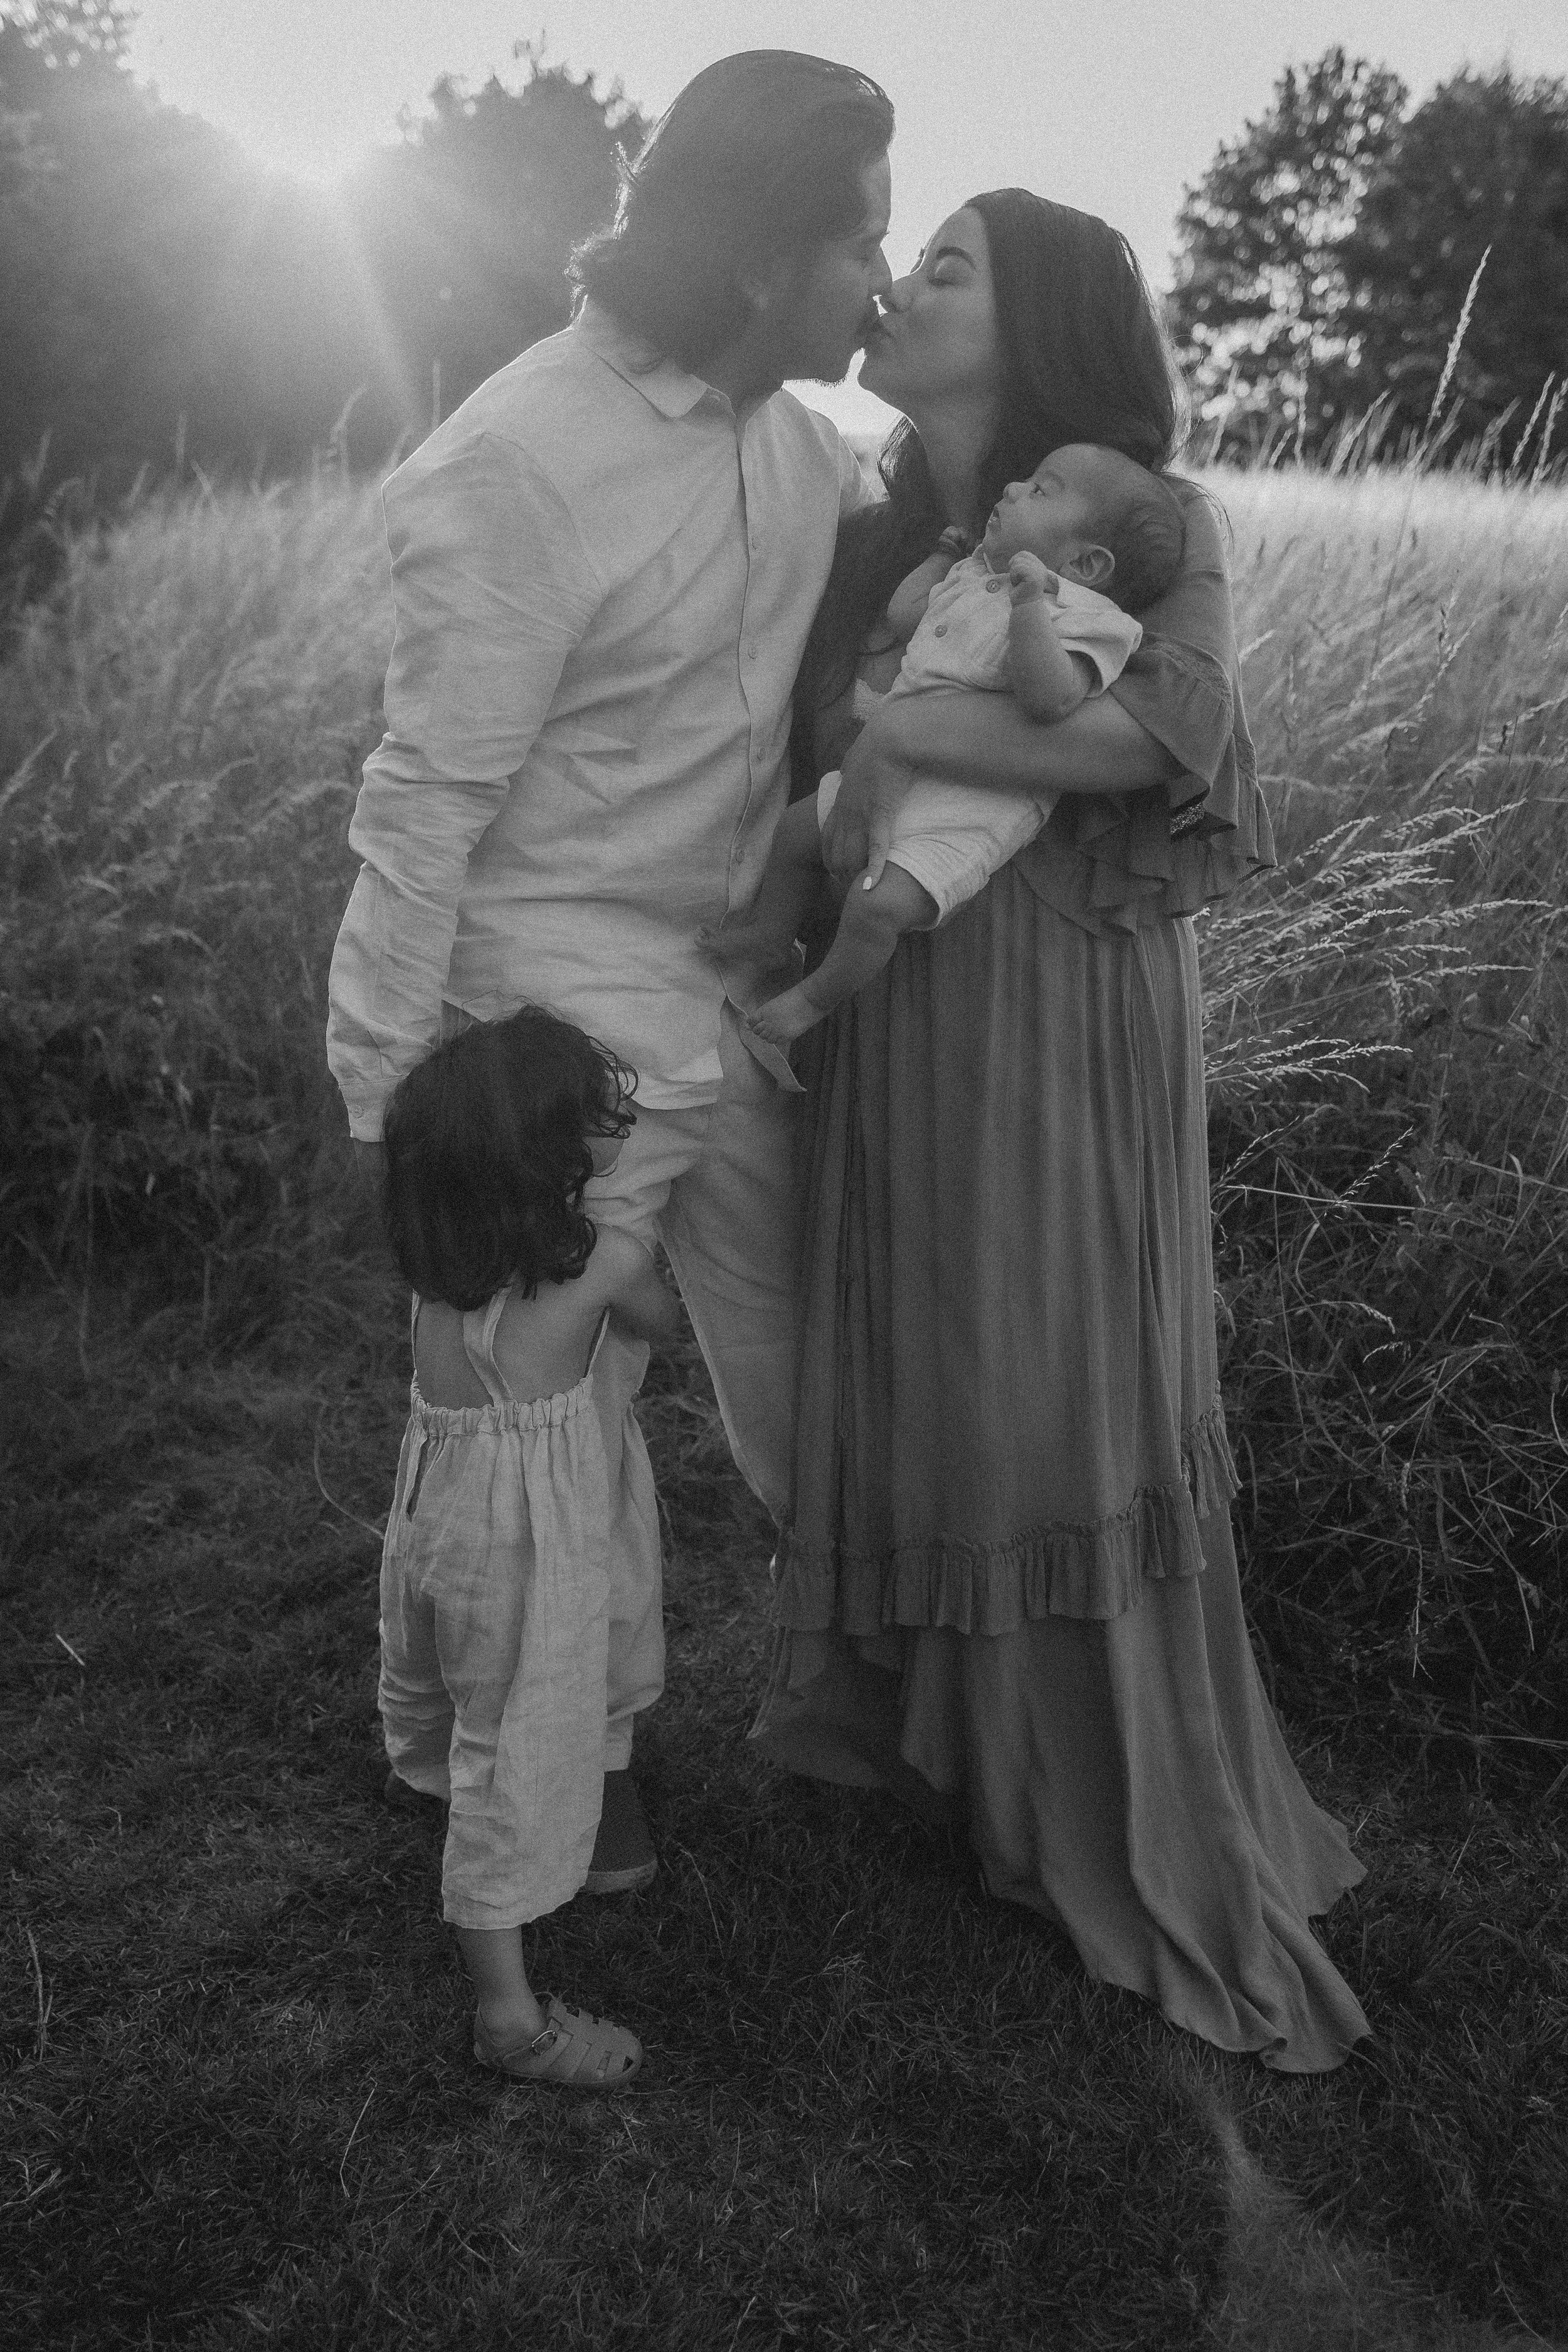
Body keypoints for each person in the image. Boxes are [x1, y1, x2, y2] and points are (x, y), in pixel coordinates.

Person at [749, 190, 1371, 2072]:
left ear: (1037, 335)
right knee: (922, 1348)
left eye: (947, 265)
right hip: (894, 990)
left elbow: (1150, 745)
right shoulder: (864, 533)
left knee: (1033, 1364)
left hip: (1047, 997)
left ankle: (1086, 1794)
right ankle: (920, 1737)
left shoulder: (1133, 516)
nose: (902, 280)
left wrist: (913, 751)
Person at [327, 53, 896, 1895]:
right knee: (555, 1425)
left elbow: (843, 700)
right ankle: (586, 1753)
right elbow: (424, 799)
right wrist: (387, 1094)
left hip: (734, 1000)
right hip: (551, 1028)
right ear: (750, 270)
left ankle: (884, 1705)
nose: (874, 288)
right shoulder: (514, 459)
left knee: (827, 1369)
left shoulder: (807, 454)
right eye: (857, 245)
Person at [378, 1005, 681, 2085]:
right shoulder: (605, 1258)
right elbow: (665, 1321)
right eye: (602, 1109)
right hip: (535, 1536)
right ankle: (509, 2018)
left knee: (471, 1690)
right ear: (557, 1156)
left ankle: (516, 1804)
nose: (622, 1113)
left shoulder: (440, 1262)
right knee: (519, 1736)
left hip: (446, 1517)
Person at [713, 444, 1183, 1055]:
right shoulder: (974, 575)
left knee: (878, 908)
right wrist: (944, 557)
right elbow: (906, 616)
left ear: (1087, 563)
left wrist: (1029, 607)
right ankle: (771, 935)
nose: (1013, 486)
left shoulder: (1091, 618)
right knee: (796, 833)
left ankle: (813, 999)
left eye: (1042, 491)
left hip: (966, 806)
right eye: (1026, 476)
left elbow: (1050, 699)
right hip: (886, 776)